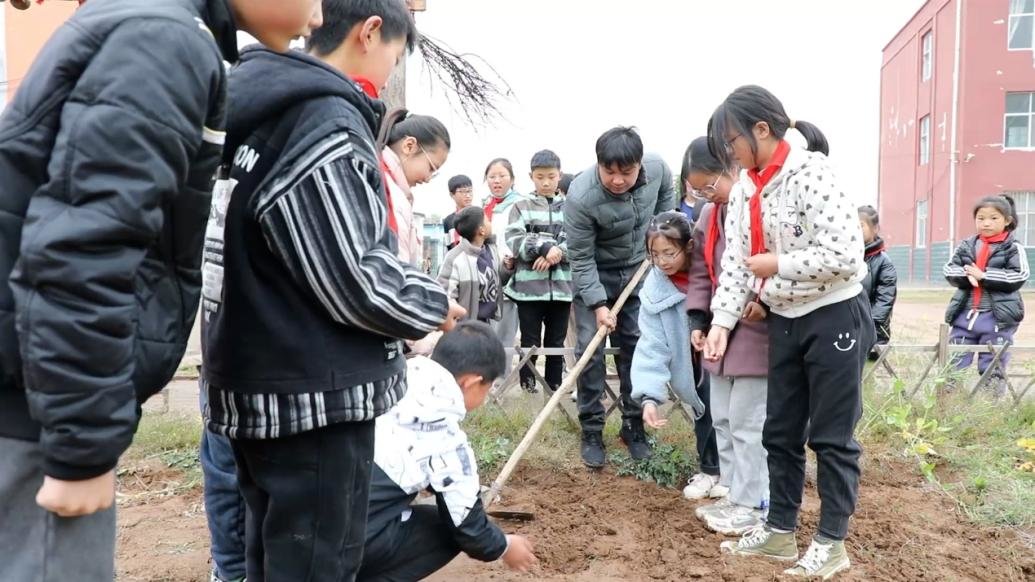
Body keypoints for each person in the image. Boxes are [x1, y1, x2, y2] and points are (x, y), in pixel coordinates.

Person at [0, 1, 322, 580]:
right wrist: (80, 445)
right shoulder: (167, 42)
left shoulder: (153, 24)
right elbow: (81, 250)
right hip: (33, 404)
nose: (319, 17)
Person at [200, 3, 465, 580]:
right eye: (394, 54)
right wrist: (430, 304)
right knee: (316, 562)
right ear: (370, 32)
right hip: (311, 400)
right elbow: (354, 275)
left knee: (269, 557)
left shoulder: (254, 108)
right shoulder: (320, 119)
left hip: (255, 383)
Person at [704, 85, 874, 579]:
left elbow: (846, 256)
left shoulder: (812, 174)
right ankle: (780, 531)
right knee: (779, 432)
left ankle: (831, 543)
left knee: (832, 436)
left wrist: (779, 262)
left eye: (731, 142)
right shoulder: (745, 189)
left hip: (833, 314)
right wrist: (721, 322)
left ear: (761, 130)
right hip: (785, 318)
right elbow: (737, 264)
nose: (730, 154)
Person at [360, 321, 538, 580]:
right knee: (447, 528)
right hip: (347, 543)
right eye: (486, 389)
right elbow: (471, 531)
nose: (485, 398)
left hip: (295, 514)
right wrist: (505, 546)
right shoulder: (447, 440)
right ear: (471, 382)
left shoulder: (389, 376)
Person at [565, 126, 677, 467]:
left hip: (639, 271)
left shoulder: (658, 169)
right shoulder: (580, 196)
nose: (617, 180)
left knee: (638, 345)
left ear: (639, 165)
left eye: (625, 172)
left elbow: (666, 201)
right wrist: (599, 304)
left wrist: (659, 240)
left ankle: (633, 425)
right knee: (590, 349)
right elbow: (580, 258)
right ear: (598, 164)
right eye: (608, 172)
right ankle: (592, 429)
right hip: (595, 272)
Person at [681, 137, 770, 536]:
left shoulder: (760, 206)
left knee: (749, 423)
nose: (705, 195)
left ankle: (755, 501)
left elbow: (769, 264)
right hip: (719, 330)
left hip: (754, 329)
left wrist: (762, 301)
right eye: (697, 190)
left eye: (709, 185)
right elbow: (702, 272)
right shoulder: (708, 217)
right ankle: (734, 491)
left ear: (732, 169)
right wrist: (698, 320)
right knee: (722, 418)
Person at [629, 211, 708, 471]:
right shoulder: (655, 290)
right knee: (705, 416)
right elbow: (652, 345)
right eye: (655, 254)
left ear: (688, 246)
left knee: (734, 421)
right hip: (694, 367)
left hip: (725, 360)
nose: (662, 261)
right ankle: (711, 472)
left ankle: (738, 483)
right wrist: (649, 397)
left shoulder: (711, 273)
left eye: (669, 253)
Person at [944, 195, 1028, 397]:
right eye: (981, 218)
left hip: (996, 317)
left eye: (993, 218)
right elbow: (949, 269)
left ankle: (990, 406)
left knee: (992, 364)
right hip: (966, 315)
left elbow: (1020, 275)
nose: (986, 223)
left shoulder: (1013, 248)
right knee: (955, 362)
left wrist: (984, 276)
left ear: (1007, 220)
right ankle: (949, 403)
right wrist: (968, 276)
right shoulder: (967, 245)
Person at [505, 149, 573, 394]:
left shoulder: (571, 208)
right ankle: (528, 386)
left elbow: (578, 241)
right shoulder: (520, 207)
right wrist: (545, 247)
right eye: (540, 176)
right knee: (530, 340)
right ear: (531, 176)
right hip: (529, 288)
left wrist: (555, 254)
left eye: (551, 176)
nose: (546, 182)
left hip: (563, 288)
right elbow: (514, 239)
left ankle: (554, 386)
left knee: (557, 340)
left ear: (559, 176)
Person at [379, 110, 450, 266]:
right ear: (409, 146)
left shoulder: (387, 182)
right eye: (431, 168)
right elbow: (397, 268)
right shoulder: (389, 192)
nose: (428, 179)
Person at [438, 206, 512, 324]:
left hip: (487, 322)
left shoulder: (491, 250)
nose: (490, 222)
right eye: (487, 220)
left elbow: (497, 281)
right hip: (464, 325)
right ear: (481, 230)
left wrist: (507, 268)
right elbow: (445, 294)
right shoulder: (455, 258)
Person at [483, 158, 526, 348]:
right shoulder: (484, 206)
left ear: (512, 179)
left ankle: (502, 377)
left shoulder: (520, 204)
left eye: (502, 176)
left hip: (509, 275)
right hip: (485, 276)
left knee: (504, 334)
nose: (496, 181)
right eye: (492, 176)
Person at [859, 205, 898, 359]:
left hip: (874, 332)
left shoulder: (884, 263)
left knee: (869, 375)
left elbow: (884, 300)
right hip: (849, 330)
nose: (856, 230)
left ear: (875, 228)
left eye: (860, 226)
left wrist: (867, 328)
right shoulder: (847, 259)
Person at [444, 174, 475, 250]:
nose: (468, 195)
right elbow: (449, 247)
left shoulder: (479, 216)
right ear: (452, 194)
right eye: (462, 192)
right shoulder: (448, 221)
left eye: (469, 191)